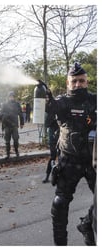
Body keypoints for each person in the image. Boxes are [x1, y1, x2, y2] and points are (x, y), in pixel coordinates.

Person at [45, 62, 96, 246]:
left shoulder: (95, 100)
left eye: (81, 81)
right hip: (68, 160)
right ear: (68, 83)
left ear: (86, 82)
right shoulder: (62, 102)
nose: (77, 85)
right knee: (59, 204)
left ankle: (88, 225)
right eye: (74, 81)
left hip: (93, 160)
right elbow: (50, 113)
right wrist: (47, 103)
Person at [0, 91, 24, 159]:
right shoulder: (4, 105)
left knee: (16, 139)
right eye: (10, 96)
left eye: (13, 96)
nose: (12, 98)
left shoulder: (17, 104)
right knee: (7, 141)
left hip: (14, 125)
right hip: (7, 125)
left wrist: (22, 123)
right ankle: (8, 154)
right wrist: (3, 117)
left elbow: (20, 114)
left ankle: (17, 152)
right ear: (8, 97)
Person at [42, 95, 60, 183]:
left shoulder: (59, 107)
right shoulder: (49, 108)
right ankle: (47, 175)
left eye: (48, 98)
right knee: (53, 155)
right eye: (46, 98)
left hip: (61, 133)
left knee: (62, 155)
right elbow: (47, 123)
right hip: (52, 133)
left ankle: (61, 175)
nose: (47, 100)